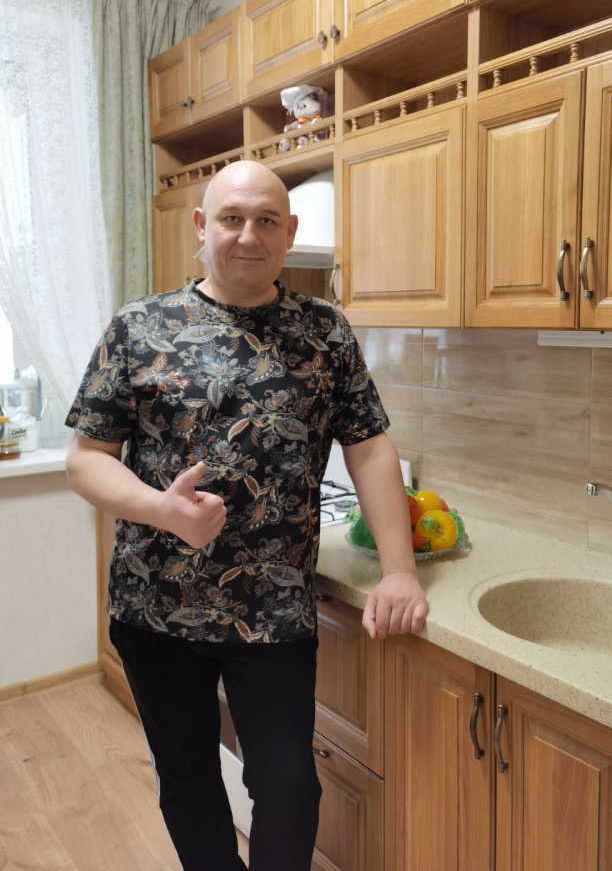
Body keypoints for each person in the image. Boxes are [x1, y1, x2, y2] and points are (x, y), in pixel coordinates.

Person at [65, 160, 428, 871]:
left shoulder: (324, 331)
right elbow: (86, 459)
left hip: (275, 611)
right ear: (203, 227)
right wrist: (161, 510)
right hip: (156, 607)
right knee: (189, 778)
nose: (248, 235)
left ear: (289, 232)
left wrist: (400, 571)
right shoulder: (138, 328)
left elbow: (370, 448)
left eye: (266, 220)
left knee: (288, 786)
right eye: (232, 218)